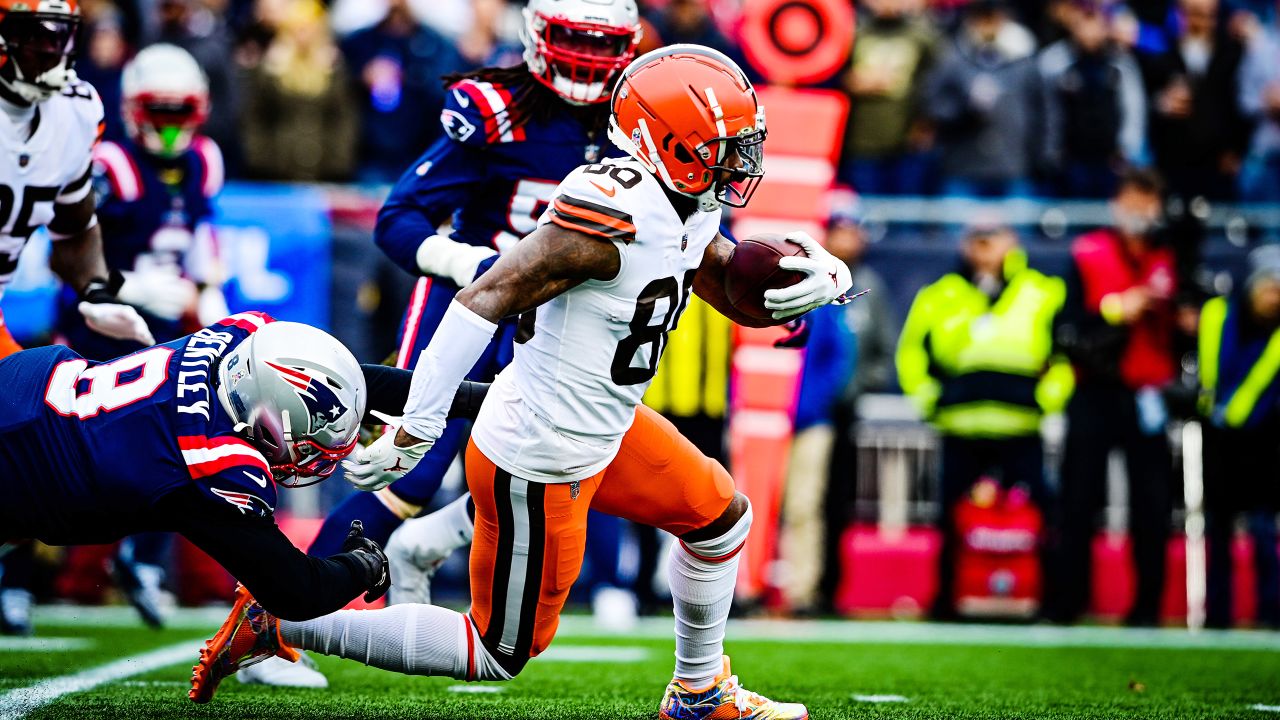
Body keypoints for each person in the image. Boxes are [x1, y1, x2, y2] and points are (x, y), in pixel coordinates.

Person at [189, 45, 852, 719]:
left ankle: (700, 693)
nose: (738, 164)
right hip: (542, 451)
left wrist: (815, 279)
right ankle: (283, 625)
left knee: (719, 520)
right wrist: (416, 428)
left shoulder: (687, 202)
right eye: (722, 148)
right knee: (497, 649)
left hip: (606, 426)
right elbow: (482, 298)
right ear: (664, 142)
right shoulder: (609, 212)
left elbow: (728, 287)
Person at [304, 0, 643, 587]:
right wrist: (476, 265)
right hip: (467, 308)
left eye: (600, 45)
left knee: (549, 469)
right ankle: (278, 615)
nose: (587, 61)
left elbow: (698, 225)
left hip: (559, 323)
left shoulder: (637, 122)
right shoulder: (498, 110)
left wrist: (756, 284)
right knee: (410, 470)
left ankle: (417, 553)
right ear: (539, 34)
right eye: (573, 40)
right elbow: (399, 217)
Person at [50, 42, 229, 631]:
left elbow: (202, 238)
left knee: (178, 441)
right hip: (95, 322)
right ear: (132, 108)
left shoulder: (206, 160)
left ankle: (143, 559)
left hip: (160, 330)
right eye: (162, 111)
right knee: (67, 456)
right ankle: (28, 575)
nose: (173, 127)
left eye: (183, 113)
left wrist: (208, 294)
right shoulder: (109, 163)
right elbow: (69, 248)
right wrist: (128, 284)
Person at [0, 0, 155, 637]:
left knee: (55, 448)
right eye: (29, 32)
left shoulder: (75, 110)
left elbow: (73, 224)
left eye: (58, 33)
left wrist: (95, 290)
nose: (46, 47)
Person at [896, 221, 1070, 619]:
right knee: (949, 520)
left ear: (1012, 242)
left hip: (1020, 427)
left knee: (1043, 515)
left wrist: (1047, 399)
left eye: (993, 238)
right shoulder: (940, 294)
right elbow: (910, 355)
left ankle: (1048, 602)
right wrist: (931, 402)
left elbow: (1064, 354)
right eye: (977, 239)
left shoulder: (1042, 291)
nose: (985, 247)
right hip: (961, 426)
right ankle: (946, 602)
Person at [1052, 168, 1178, 626]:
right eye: (1132, 199)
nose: (1141, 210)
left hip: (1148, 390)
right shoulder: (1088, 253)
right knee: (1079, 499)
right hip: (1094, 388)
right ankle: (1067, 604)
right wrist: (1116, 309)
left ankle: (1147, 609)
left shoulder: (1172, 254)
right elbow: (1064, 327)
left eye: (1149, 201)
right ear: (1115, 204)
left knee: (1153, 504)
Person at [815, 191, 897, 612]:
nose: (848, 238)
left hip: (844, 411)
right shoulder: (803, 279)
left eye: (853, 230)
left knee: (837, 502)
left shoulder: (870, 287)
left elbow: (884, 353)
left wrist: (855, 387)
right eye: (839, 229)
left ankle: (830, 589)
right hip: (803, 412)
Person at [1197, 245, 1280, 629]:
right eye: (1268, 287)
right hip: (1220, 442)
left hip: (1264, 441)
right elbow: (1212, 372)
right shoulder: (1219, 315)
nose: (1273, 297)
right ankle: (1218, 612)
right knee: (1219, 528)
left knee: (1265, 528)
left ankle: (1269, 610)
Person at [924, 0, 1041, 198]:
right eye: (981, 18)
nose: (987, 25)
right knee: (956, 227)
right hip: (963, 165)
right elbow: (932, 105)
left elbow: (1040, 111)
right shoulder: (952, 58)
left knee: (1017, 227)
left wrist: (1040, 155)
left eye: (992, 18)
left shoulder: (1024, 60)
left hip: (1013, 165)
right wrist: (965, 107)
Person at [1038, 0, 1147, 198]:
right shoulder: (1053, 62)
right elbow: (1047, 112)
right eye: (1083, 21)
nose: (1089, 30)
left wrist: (1127, 151)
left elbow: (1133, 109)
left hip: (1112, 161)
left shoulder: (1121, 61)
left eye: (1094, 20)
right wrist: (1052, 154)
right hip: (1070, 161)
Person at [839, 0, 941, 195]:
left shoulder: (922, 36)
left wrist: (925, 124)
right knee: (865, 214)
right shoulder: (852, 33)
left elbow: (937, 83)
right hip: (861, 142)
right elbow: (827, 74)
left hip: (907, 143)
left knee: (905, 214)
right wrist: (850, 81)